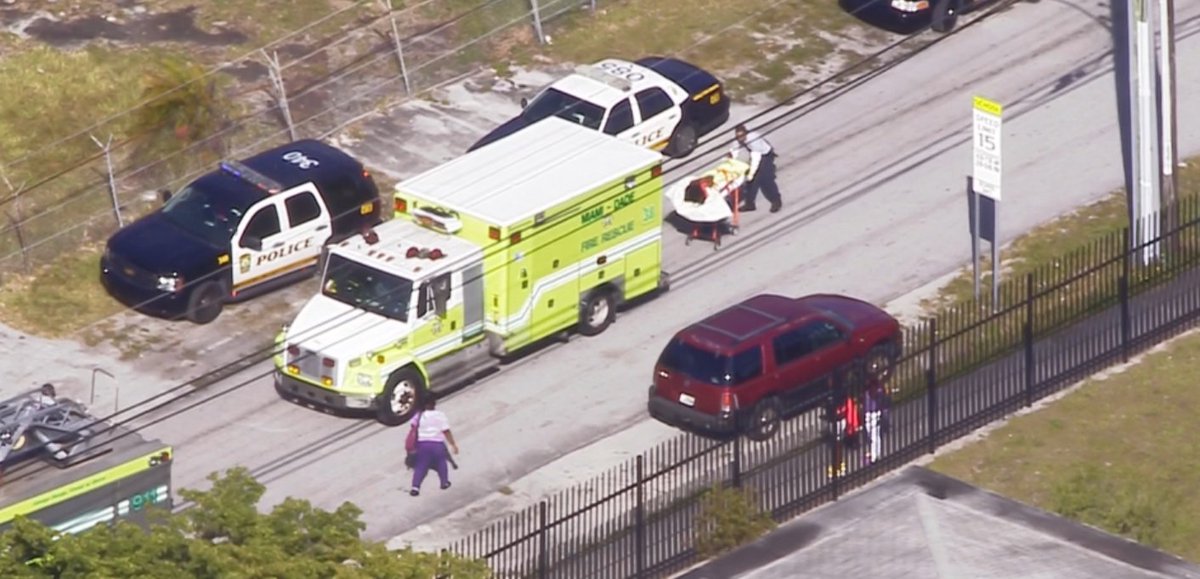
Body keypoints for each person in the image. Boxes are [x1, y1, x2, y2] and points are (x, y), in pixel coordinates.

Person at [409, 397, 458, 496]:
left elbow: (413, 427)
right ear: (434, 404)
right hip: (437, 443)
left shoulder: (418, 415)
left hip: (422, 443)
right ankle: (444, 482)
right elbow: (446, 431)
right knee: (441, 462)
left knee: (421, 466)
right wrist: (453, 444)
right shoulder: (440, 415)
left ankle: (415, 487)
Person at [729, 124, 782, 213]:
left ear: (746, 134)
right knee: (751, 182)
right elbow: (734, 148)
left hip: (765, 155)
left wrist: (751, 173)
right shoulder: (739, 140)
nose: (740, 138)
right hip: (755, 155)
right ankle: (750, 204)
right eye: (738, 136)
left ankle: (776, 201)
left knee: (766, 179)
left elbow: (756, 159)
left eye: (742, 136)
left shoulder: (753, 140)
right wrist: (731, 157)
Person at [863, 380, 885, 464]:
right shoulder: (866, 393)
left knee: (875, 435)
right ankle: (876, 453)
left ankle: (875, 456)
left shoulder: (878, 392)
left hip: (875, 413)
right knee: (871, 435)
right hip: (868, 414)